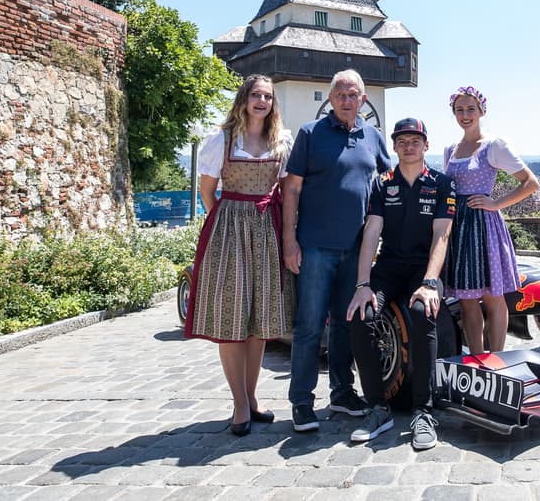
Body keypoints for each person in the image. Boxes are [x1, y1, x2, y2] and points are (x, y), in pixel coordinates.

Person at [281, 69, 393, 432]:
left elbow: (390, 179)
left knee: (346, 325)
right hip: (315, 247)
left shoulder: (372, 136)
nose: (347, 100)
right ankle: (301, 402)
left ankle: (342, 393)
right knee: (310, 327)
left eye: (353, 95)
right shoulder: (310, 133)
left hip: (356, 250)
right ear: (331, 98)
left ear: (363, 100)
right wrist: (289, 240)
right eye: (341, 95)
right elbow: (292, 189)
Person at [183, 74, 294, 436]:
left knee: (260, 319)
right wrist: (226, 224)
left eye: (268, 96)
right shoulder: (223, 139)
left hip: (267, 231)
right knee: (233, 318)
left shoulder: (280, 141)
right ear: (244, 99)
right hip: (229, 230)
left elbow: (287, 189)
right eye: (256, 95)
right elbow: (207, 192)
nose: (262, 101)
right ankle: (239, 403)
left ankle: (252, 396)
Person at [347, 118, 455, 450]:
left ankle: (424, 411)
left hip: (425, 268)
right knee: (362, 316)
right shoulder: (382, 184)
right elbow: (371, 232)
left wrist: (430, 282)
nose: (409, 146)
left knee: (423, 313)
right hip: (390, 267)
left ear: (426, 145)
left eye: (415, 141)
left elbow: (442, 235)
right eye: (402, 141)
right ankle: (378, 408)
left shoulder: (441, 184)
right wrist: (362, 284)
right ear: (394, 146)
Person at [442, 86, 539, 355]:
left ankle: (496, 359)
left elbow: (530, 182)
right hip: (459, 228)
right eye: (459, 110)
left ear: (481, 111)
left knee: (493, 297)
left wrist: (495, 203)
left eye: (470, 109)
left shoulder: (494, 146)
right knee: (467, 300)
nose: (465, 115)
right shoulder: (450, 150)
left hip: (484, 227)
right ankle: (476, 359)